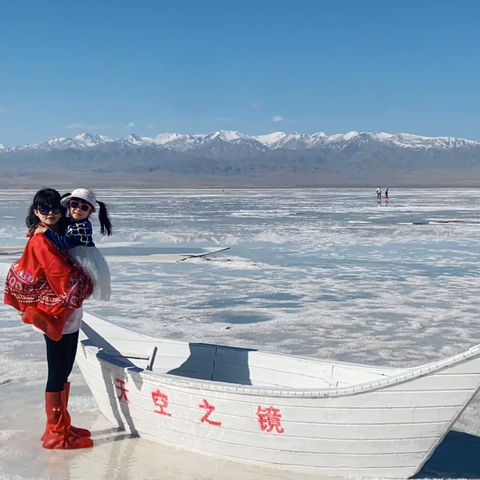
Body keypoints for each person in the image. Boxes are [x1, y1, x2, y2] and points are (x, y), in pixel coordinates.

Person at [4, 188, 94, 450]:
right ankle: (55, 433)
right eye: (45, 209)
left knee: (64, 369)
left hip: (67, 312)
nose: (52, 213)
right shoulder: (42, 240)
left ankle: (62, 424)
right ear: (36, 212)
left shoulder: (55, 234)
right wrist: (85, 282)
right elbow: (60, 274)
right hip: (56, 314)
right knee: (57, 371)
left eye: (56, 208)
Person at [36, 188, 112, 301]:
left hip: (83, 261)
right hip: (75, 257)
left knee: (76, 290)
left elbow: (64, 243)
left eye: (84, 207)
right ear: (69, 206)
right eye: (75, 204)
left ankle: (73, 317)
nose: (78, 210)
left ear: (89, 212)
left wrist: (45, 231)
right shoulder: (70, 221)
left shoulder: (83, 227)